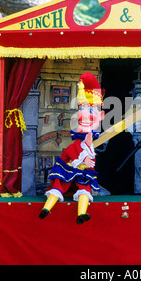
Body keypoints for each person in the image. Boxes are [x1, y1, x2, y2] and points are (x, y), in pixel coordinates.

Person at [39, 72, 104, 224]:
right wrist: (84, 160)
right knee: (59, 187)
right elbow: (71, 155)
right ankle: (46, 208)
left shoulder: (90, 143)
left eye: (91, 117)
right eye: (82, 119)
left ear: (101, 116)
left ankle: (81, 214)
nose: (86, 120)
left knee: (85, 189)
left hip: (81, 171)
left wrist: (87, 161)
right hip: (67, 169)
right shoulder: (76, 144)